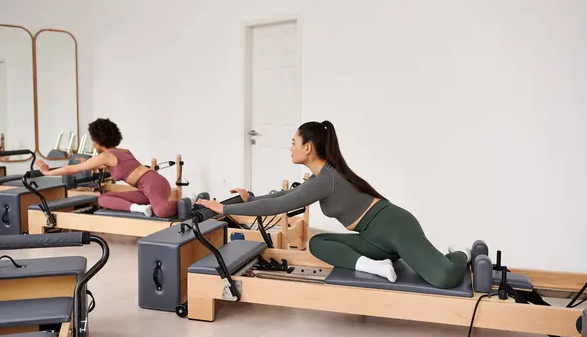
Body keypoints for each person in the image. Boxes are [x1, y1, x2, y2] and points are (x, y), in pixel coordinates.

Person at [196, 120, 470, 289]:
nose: (290, 148)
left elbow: (281, 205)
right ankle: (377, 266)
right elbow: (280, 198)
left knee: (444, 277)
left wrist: (226, 209)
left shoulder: (325, 178)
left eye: (293, 142)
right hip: (374, 239)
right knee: (318, 243)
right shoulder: (321, 177)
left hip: (394, 226)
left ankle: (460, 253)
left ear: (308, 148)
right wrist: (250, 199)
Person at [35, 118, 177, 218]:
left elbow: (73, 169)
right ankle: (140, 208)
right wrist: (87, 161)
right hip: (148, 189)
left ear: (97, 142)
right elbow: (109, 164)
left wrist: (47, 171)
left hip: (153, 184)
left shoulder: (105, 156)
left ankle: (186, 203)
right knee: (103, 198)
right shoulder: (122, 152)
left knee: (161, 212)